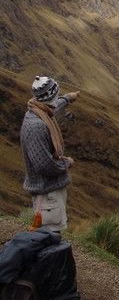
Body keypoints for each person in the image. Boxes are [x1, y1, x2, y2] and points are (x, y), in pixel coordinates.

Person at [20, 76, 79, 232]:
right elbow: (43, 164)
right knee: (49, 234)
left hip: (48, 191)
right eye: (57, 93)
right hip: (47, 193)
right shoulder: (37, 126)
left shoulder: (39, 111)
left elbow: (54, 107)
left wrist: (68, 98)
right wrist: (67, 163)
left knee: (50, 234)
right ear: (52, 95)